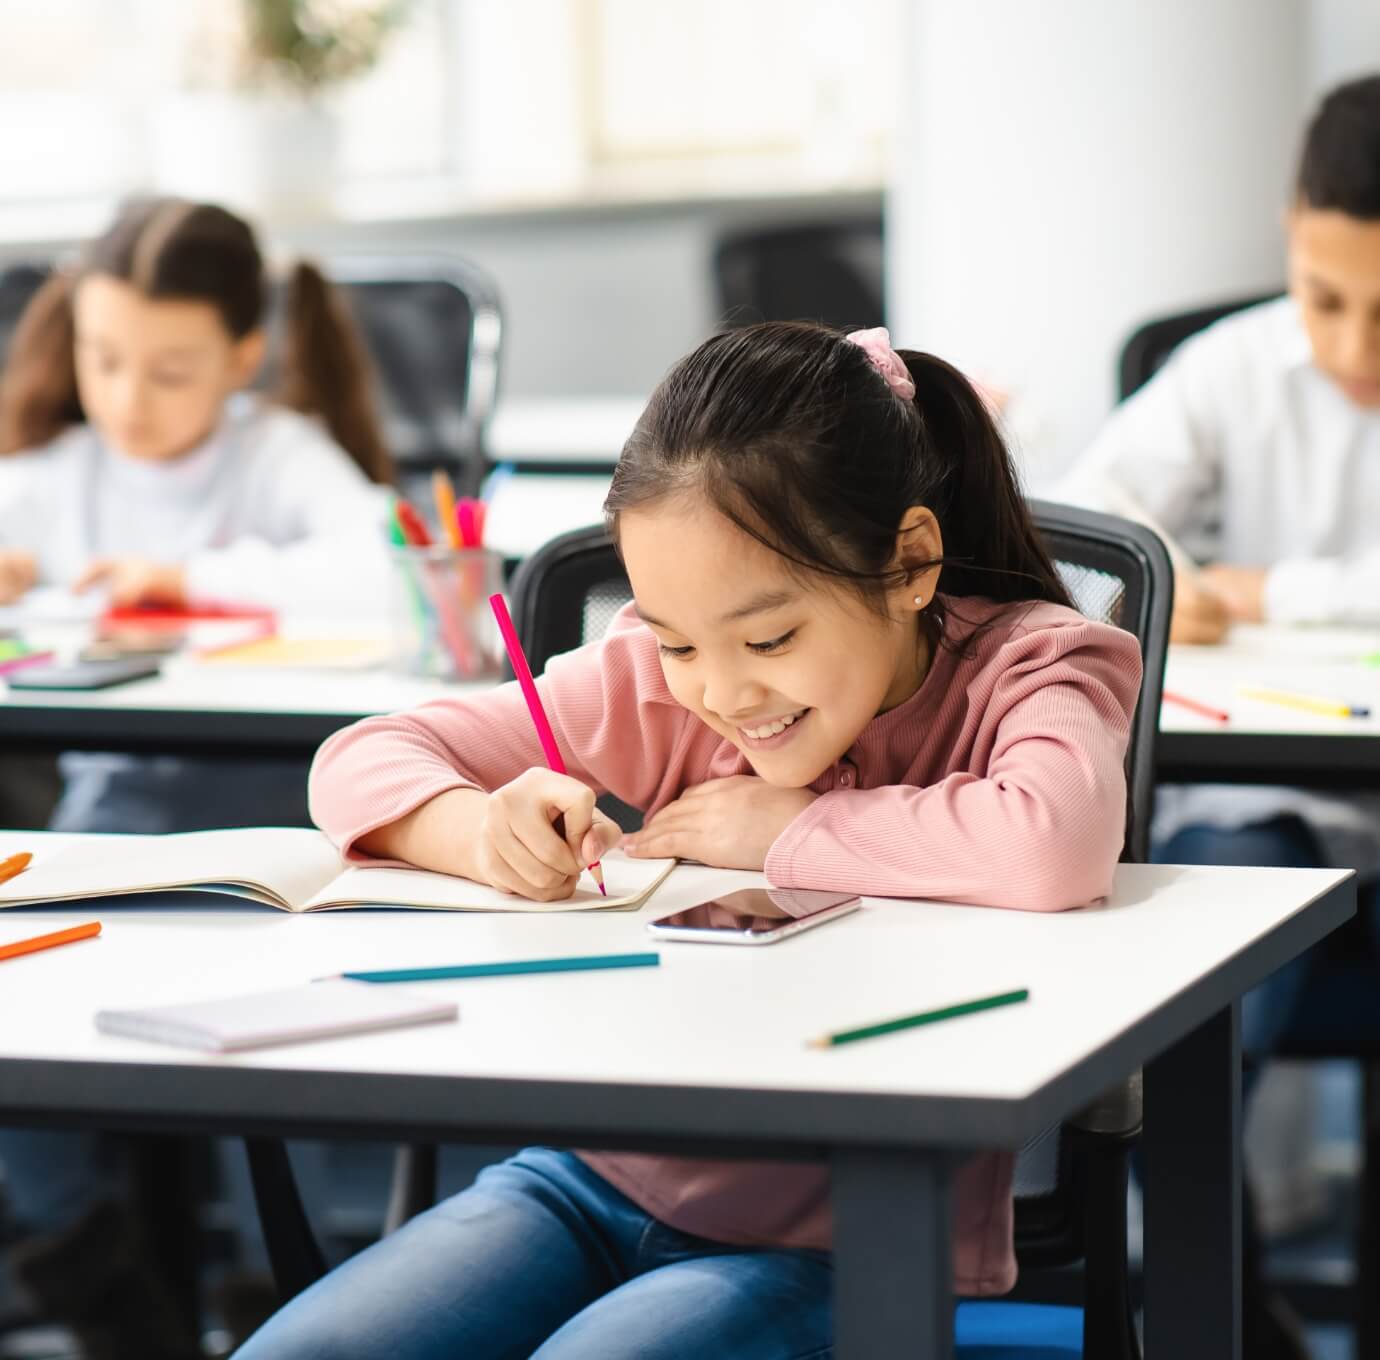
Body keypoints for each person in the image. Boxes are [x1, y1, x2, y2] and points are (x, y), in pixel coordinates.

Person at [235, 321, 1142, 1359]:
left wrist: (798, 826)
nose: (721, 691)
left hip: (851, 1231)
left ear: (910, 564)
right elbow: (360, 757)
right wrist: (480, 829)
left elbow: (1051, 842)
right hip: (589, 1180)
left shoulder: (1031, 665)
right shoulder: (665, 688)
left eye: (769, 639)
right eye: (676, 641)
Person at [0, 197, 395, 1359]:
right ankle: (112, 1291)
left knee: (264, 1085)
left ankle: (275, 1299)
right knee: (19, 1041)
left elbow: (379, 570)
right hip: (108, 829)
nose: (129, 397)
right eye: (104, 359)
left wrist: (188, 577)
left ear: (240, 355)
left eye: (170, 370)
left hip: (280, 830)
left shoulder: (275, 454)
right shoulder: (52, 473)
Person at [1062, 73, 1380, 1360]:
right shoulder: (1234, 368)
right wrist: (1162, 576)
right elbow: (1086, 546)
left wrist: (1269, 593)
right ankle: (1236, 1327)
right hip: (1272, 812)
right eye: (1325, 298)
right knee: (1182, 1019)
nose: (1354, 350)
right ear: (1286, 238)